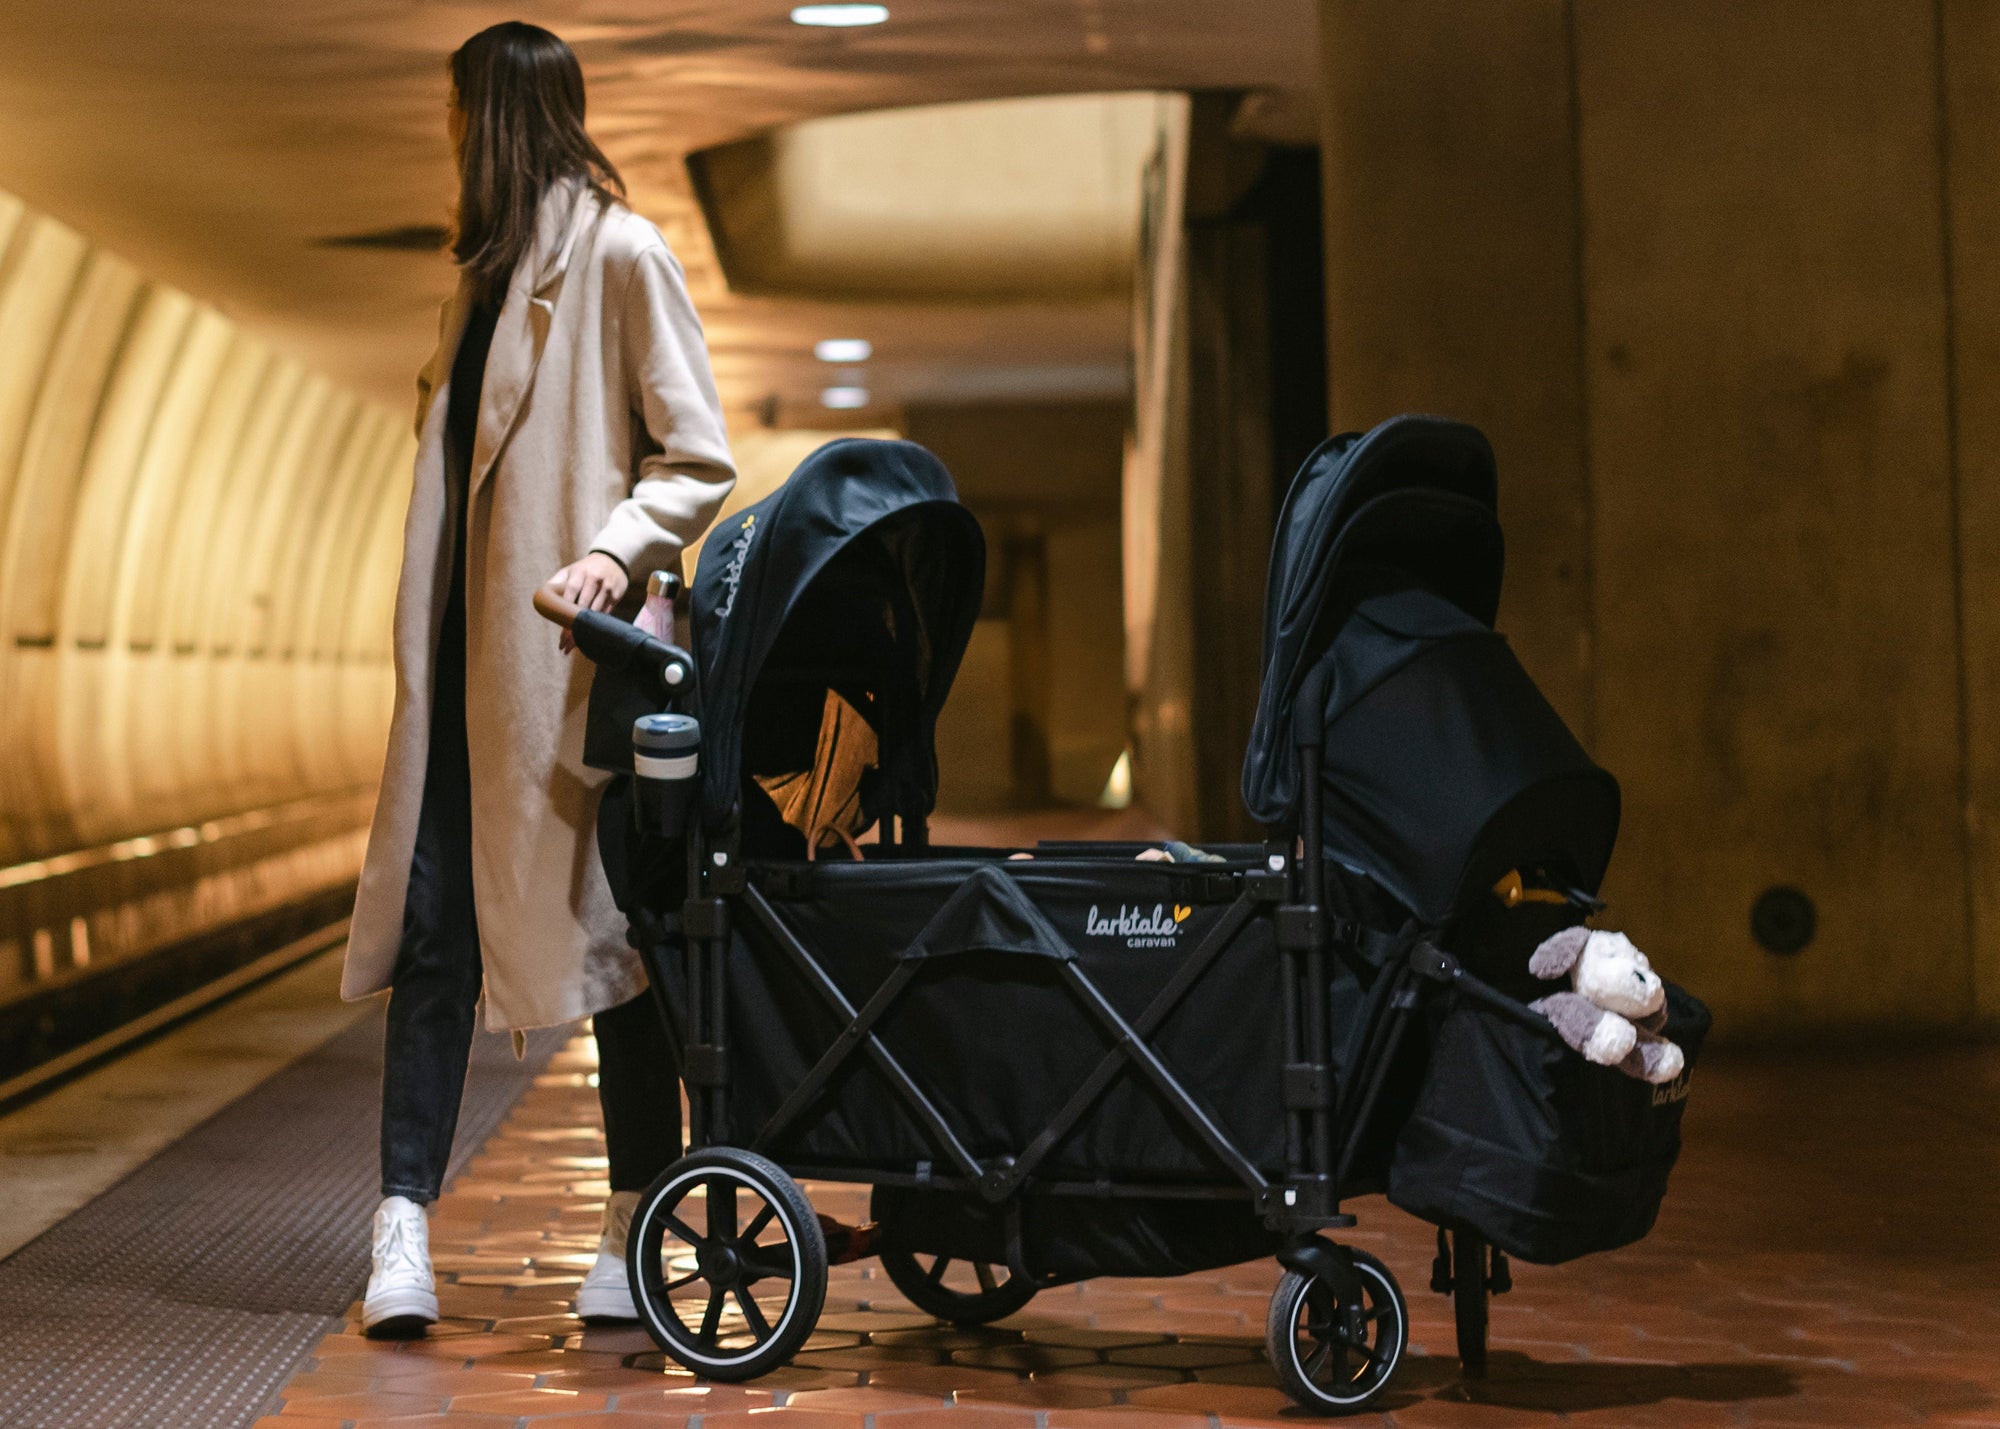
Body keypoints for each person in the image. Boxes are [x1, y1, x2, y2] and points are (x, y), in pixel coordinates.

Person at [340, 21, 736, 1337]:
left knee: (609, 948)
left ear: (489, 118)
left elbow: (697, 455)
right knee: (434, 931)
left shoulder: (620, 257)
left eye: (456, 114)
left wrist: (612, 557)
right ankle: (400, 1227)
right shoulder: (475, 288)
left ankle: (635, 1222)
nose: (447, 140)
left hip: (568, 683)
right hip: (462, 685)